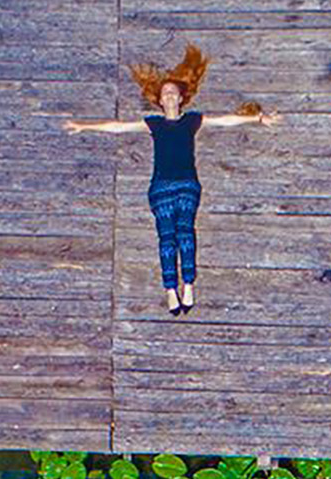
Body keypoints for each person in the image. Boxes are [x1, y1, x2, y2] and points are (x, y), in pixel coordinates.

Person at [64, 44, 280, 315]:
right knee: (167, 237)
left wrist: (258, 118)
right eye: (164, 93)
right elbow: (118, 127)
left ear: (180, 99)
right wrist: (85, 126)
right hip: (161, 187)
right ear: (160, 100)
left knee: (185, 232)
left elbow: (225, 121)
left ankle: (188, 284)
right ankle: (170, 289)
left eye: (172, 92)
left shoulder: (192, 120)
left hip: (188, 184)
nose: (167, 95)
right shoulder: (153, 124)